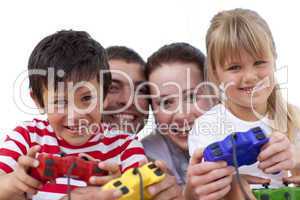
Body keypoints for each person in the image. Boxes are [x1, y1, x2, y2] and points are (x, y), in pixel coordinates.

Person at [0, 30, 146, 200]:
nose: (75, 115)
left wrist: (123, 189)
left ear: (105, 96)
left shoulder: (126, 146)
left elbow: (144, 192)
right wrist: (14, 181)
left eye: (87, 98)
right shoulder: (26, 137)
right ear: (39, 101)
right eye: (60, 102)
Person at [186, 8, 300, 200]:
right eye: (234, 67)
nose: (249, 77)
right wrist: (229, 188)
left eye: (259, 62)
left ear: (274, 59)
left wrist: (296, 160)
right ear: (215, 73)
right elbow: (205, 190)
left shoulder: (295, 118)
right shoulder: (206, 127)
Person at [142, 42, 213, 192]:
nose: (181, 114)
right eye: (166, 102)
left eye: (192, 97)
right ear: (152, 111)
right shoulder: (144, 156)